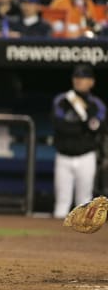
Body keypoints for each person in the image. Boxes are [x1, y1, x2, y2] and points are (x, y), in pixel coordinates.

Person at [51, 64, 106, 219]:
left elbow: (98, 127)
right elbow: (60, 126)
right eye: (77, 77)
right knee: (62, 204)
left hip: (86, 156)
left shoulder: (96, 104)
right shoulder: (63, 101)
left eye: (84, 78)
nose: (79, 81)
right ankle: (56, 241)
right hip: (63, 156)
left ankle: (82, 243)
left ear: (91, 82)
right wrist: (83, 127)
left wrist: (84, 115)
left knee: (84, 204)